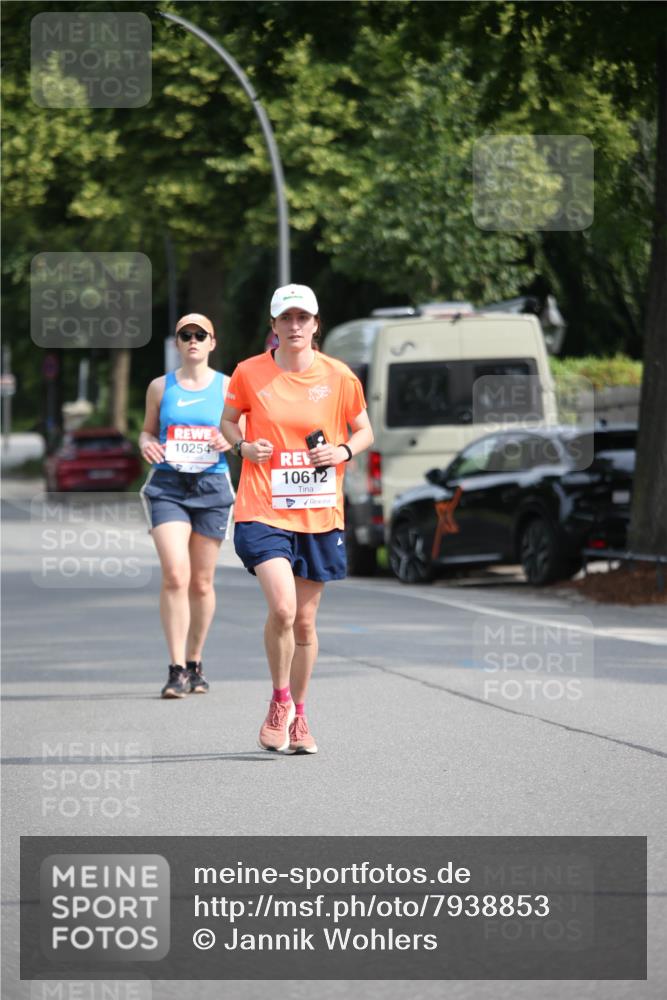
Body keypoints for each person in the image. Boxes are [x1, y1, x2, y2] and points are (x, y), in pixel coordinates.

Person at [221, 284, 373, 754]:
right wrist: (243, 446)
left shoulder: (340, 376)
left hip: (319, 511)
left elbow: (365, 430)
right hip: (262, 508)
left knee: (304, 623)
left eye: (302, 318)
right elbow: (227, 423)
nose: (294, 326)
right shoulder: (249, 373)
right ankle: (279, 701)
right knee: (283, 608)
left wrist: (342, 450)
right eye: (285, 318)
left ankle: (301, 715)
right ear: (273, 326)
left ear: (315, 323)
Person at [139, 313, 235, 699]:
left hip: (212, 486)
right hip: (168, 486)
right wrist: (146, 442)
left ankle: (195, 662)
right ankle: (176, 668)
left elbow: (243, 433)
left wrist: (231, 441)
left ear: (213, 342)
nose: (193, 340)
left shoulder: (229, 387)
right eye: (185, 334)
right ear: (177, 343)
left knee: (202, 581)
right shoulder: (161, 388)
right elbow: (147, 430)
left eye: (201, 335)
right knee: (176, 574)